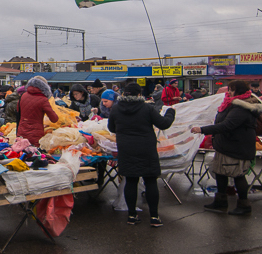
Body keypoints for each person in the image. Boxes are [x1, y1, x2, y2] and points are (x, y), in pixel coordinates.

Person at [108, 83, 175, 227]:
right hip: (146, 149)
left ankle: (131, 216)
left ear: (124, 93)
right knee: (150, 181)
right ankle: (154, 217)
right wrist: (170, 112)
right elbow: (164, 124)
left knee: (131, 181)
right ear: (139, 94)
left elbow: (111, 128)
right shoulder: (147, 108)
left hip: (126, 149)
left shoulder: (116, 109)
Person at [191, 81, 260, 215]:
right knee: (221, 173)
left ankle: (244, 205)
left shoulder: (242, 107)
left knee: (238, 175)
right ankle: (220, 202)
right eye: (229, 89)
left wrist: (202, 129)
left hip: (237, 146)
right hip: (226, 145)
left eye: (232, 90)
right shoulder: (231, 103)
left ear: (239, 91)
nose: (229, 92)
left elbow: (227, 125)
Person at [16, 77, 58, 146]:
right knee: (34, 153)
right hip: (35, 134)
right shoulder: (43, 100)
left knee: (22, 153)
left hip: (21, 132)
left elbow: (18, 110)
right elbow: (54, 119)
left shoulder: (23, 95)